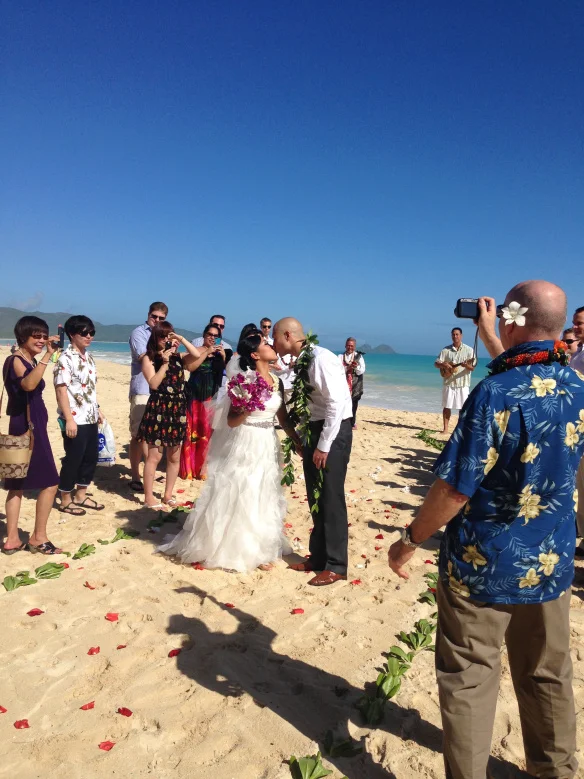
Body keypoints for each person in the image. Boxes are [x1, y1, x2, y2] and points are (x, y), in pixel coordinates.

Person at [388, 280, 583, 779]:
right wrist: (494, 334)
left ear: (515, 317)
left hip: (484, 566)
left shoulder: (494, 393)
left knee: (471, 680)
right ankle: (555, 770)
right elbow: (533, 373)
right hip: (549, 563)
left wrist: (411, 539)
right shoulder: (577, 388)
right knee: (548, 676)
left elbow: (454, 490)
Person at [158, 331, 301, 572]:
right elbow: (232, 421)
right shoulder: (244, 381)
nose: (271, 345)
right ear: (255, 354)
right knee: (243, 489)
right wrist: (248, 405)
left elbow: (283, 417)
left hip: (267, 440)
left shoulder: (278, 381)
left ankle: (262, 548)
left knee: (264, 490)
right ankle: (238, 549)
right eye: (265, 343)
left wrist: (297, 441)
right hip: (246, 439)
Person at [273, 318, 353, 586]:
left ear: (287, 335)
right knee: (315, 495)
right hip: (314, 427)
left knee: (331, 496)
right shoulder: (304, 359)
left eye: (275, 337)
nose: (273, 343)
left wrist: (323, 445)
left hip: (333, 431)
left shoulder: (320, 358)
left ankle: (337, 564)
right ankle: (318, 557)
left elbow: (336, 403)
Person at [2, 317, 61, 554]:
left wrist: (43, 357)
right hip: (29, 427)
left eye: (44, 335)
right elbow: (28, 385)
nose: (41, 340)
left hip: (26, 423)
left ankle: (13, 539)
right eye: (36, 336)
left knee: (17, 483)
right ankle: (38, 537)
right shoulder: (16, 360)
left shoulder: (28, 359)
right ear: (23, 337)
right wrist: (47, 356)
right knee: (50, 482)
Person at [137, 322, 202, 509]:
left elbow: (197, 355)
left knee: (174, 456)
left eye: (168, 336)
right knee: (154, 457)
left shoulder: (178, 357)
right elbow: (154, 384)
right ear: (155, 338)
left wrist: (180, 339)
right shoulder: (148, 359)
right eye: (162, 336)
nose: (166, 340)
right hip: (159, 407)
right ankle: (149, 497)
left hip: (177, 408)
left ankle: (167, 495)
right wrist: (164, 363)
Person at [54, 315, 104, 516]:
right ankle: (65, 499)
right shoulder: (65, 359)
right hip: (74, 418)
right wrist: (69, 419)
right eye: (84, 333)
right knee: (73, 458)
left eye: (91, 332)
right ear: (72, 334)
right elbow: (61, 390)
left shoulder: (88, 357)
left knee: (90, 457)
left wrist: (98, 409)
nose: (89, 336)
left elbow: (89, 389)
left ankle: (81, 494)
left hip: (90, 415)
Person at [128, 301, 168, 492]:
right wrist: (166, 353)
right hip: (142, 388)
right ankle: (136, 475)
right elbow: (144, 356)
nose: (157, 321)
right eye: (154, 317)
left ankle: (148, 472)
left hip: (159, 391)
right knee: (137, 435)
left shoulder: (164, 335)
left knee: (152, 435)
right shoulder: (139, 333)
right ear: (148, 315)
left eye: (161, 318)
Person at [179, 323, 227, 481]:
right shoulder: (197, 350)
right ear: (204, 335)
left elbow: (226, 373)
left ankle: (203, 468)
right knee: (192, 431)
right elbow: (191, 367)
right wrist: (206, 352)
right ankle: (190, 468)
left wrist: (223, 357)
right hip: (195, 396)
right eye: (210, 334)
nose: (212, 338)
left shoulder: (221, 353)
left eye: (216, 335)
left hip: (211, 396)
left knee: (207, 432)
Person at [434, 327, 475, 434]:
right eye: (453, 334)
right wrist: (443, 364)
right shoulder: (445, 350)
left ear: (461, 336)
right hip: (449, 382)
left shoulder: (469, 350)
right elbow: (436, 364)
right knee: (447, 406)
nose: (455, 336)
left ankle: (460, 429)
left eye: (457, 334)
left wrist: (466, 365)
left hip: (463, 383)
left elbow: (472, 368)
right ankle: (445, 429)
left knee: (463, 408)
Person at [339, 338, 365, 429]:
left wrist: (356, 367)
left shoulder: (359, 356)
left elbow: (361, 371)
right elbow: (337, 370)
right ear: (345, 345)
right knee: (342, 403)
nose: (350, 347)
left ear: (354, 346)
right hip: (343, 384)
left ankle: (352, 422)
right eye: (348, 345)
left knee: (354, 404)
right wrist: (348, 367)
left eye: (352, 346)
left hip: (355, 384)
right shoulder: (340, 356)